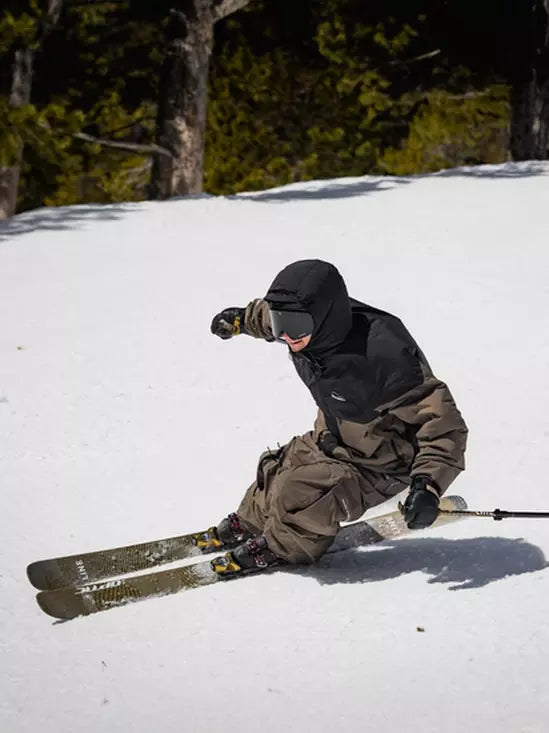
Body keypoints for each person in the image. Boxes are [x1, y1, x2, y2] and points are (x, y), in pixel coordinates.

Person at [200, 259, 468, 576]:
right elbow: (269, 317)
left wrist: (427, 485)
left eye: (294, 326)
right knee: (277, 468)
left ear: (325, 319)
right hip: (333, 436)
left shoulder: (383, 356)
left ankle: (285, 545)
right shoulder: (306, 328)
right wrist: (242, 320)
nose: (287, 336)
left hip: (380, 465)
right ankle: (253, 521)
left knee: (300, 490)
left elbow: (444, 427)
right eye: (280, 324)